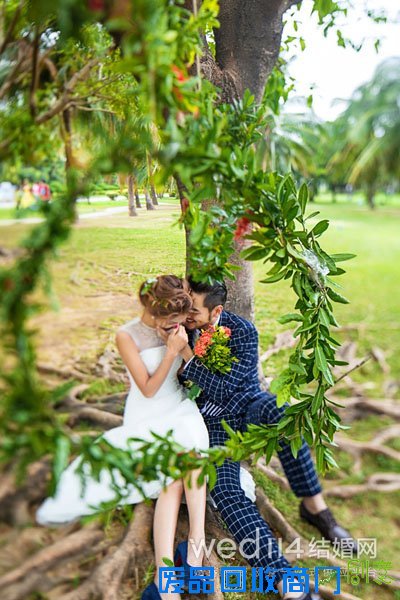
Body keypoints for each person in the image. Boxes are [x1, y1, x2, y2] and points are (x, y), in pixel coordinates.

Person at [36, 275, 254, 600]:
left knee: (191, 445)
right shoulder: (127, 335)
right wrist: (171, 351)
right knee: (174, 478)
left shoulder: (179, 328)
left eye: (181, 322)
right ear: (154, 312)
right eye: (171, 323)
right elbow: (149, 390)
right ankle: (170, 577)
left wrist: (184, 352)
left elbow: (190, 374)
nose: (177, 328)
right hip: (148, 412)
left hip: (179, 406)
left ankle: (193, 551)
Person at [178, 277, 358, 600]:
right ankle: (285, 582)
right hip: (210, 426)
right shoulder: (181, 328)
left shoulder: (244, 332)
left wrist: (189, 359)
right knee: (227, 491)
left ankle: (315, 508)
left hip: (248, 407)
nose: (187, 315)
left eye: (194, 310)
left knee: (282, 411)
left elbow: (224, 388)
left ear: (216, 310)